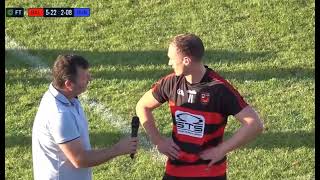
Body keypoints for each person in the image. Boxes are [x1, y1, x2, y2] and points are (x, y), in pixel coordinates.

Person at [136, 34, 264, 180]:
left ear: (186, 60)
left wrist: (222, 149)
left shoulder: (219, 89)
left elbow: (254, 124)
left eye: (172, 58)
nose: (169, 63)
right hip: (176, 170)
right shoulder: (171, 82)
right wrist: (158, 141)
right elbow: (142, 106)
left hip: (210, 172)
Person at [32, 54, 138, 180]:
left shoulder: (66, 96)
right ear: (69, 84)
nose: (90, 79)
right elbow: (79, 159)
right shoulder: (59, 115)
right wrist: (117, 149)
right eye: (85, 77)